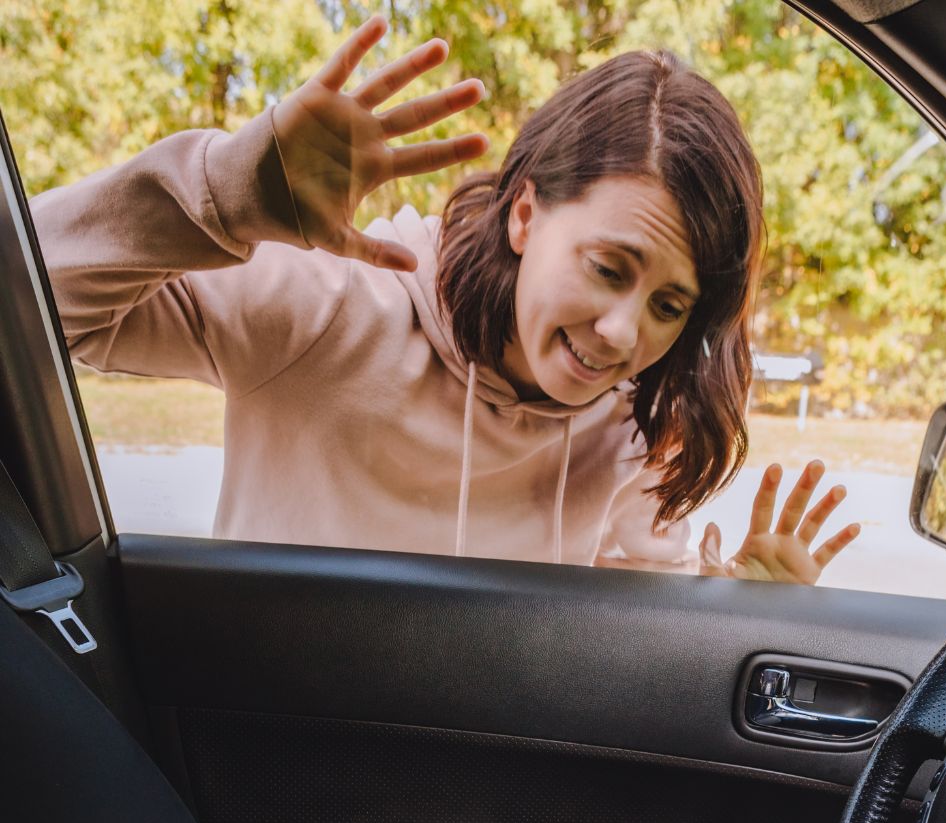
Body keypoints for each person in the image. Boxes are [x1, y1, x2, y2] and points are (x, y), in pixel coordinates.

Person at [32, 16, 859, 580]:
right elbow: (38, 303)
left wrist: (734, 606)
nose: (622, 333)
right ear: (527, 214)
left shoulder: (632, 424)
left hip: (478, 805)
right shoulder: (332, 309)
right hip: (268, 789)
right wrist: (228, 195)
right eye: (610, 269)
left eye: (668, 306)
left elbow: (618, 651)